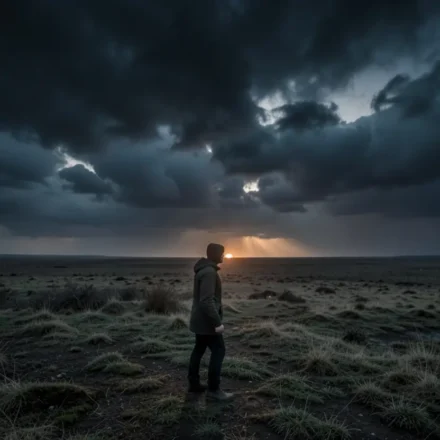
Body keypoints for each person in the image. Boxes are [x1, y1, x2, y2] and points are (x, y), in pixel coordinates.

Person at [187, 243, 233, 401]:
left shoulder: (204, 270)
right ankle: (214, 390)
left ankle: (194, 385)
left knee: (199, 349)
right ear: (215, 254)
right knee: (219, 350)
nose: (223, 256)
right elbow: (206, 301)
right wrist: (217, 323)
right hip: (207, 322)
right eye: (222, 253)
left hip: (200, 320)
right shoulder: (209, 272)